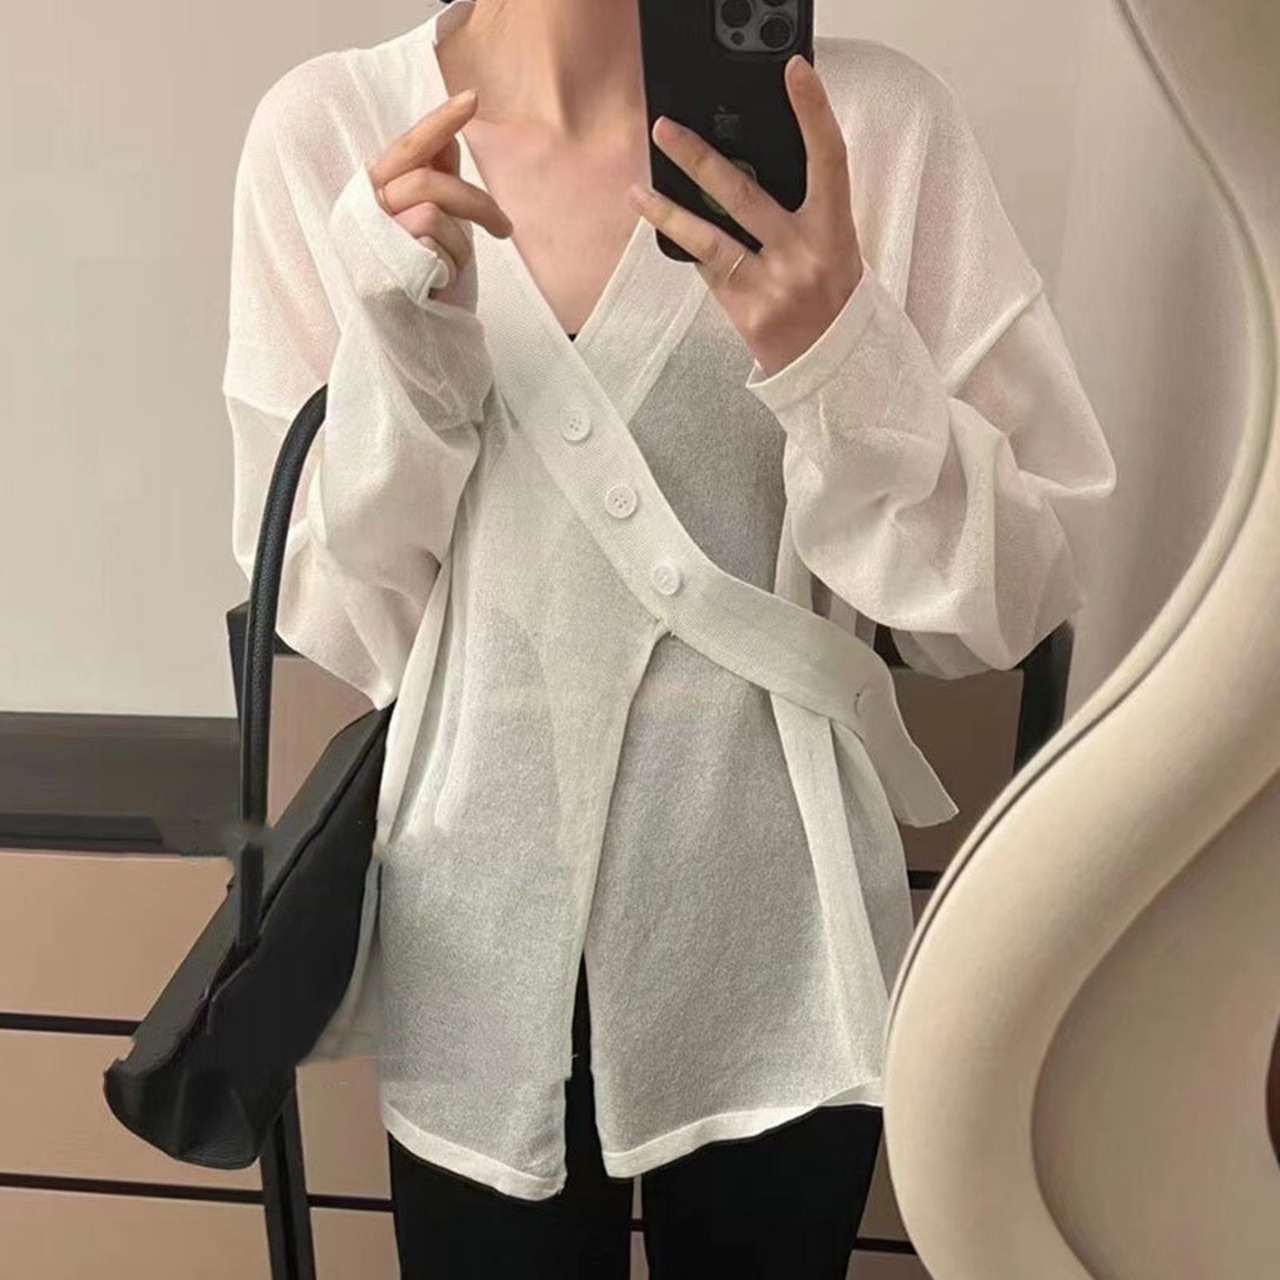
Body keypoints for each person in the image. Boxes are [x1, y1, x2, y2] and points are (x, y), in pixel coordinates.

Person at [222, 1, 1118, 1275]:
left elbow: (1012, 594)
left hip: (784, 943)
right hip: (474, 941)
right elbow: (350, 617)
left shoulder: (865, 126)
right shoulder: (330, 134)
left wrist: (839, 355)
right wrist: (403, 364)